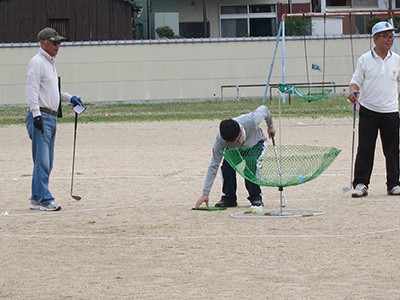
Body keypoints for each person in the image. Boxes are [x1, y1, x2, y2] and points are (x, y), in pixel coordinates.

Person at [26, 27, 83, 211]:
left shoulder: (49, 63)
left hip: (50, 117)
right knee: (42, 161)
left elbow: (52, 92)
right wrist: (36, 115)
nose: (58, 46)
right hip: (41, 116)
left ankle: (36, 198)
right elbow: (32, 91)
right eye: (54, 42)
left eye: (59, 42)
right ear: (42, 43)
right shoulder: (37, 62)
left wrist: (70, 98)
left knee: (46, 161)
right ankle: (44, 199)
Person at [348, 21, 400, 197]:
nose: (390, 39)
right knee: (365, 148)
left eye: (391, 36)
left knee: (392, 149)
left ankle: (394, 184)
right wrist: (353, 92)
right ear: (375, 38)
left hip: (391, 111)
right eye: (386, 36)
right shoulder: (365, 59)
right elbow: (356, 81)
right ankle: (361, 183)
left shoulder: (397, 60)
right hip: (369, 110)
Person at [195, 105, 276, 209]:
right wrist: (205, 193)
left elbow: (265, 109)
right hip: (237, 151)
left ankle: (256, 197)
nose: (230, 143)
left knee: (250, 163)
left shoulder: (252, 120)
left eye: (233, 140)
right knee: (227, 166)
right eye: (227, 142)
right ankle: (229, 198)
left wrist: (270, 126)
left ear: (240, 132)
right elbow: (213, 165)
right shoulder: (220, 140)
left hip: (256, 144)